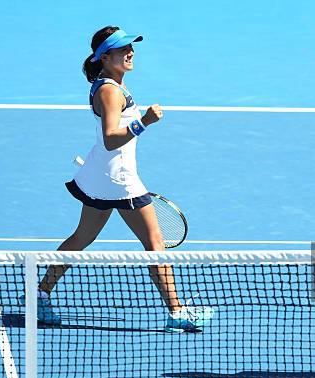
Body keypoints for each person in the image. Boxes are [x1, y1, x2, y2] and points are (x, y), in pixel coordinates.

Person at [33, 26, 213, 333]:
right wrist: (144, 122)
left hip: (99, 176)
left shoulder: (110, 85)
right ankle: (177, 312)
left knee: (81, 238)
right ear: (105, 58)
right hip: (119, 179)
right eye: (122, 49)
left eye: (131, 46)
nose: (130, 52)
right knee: (155, 244)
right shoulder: (109, 91)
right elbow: (109, 139)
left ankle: (40, 293)